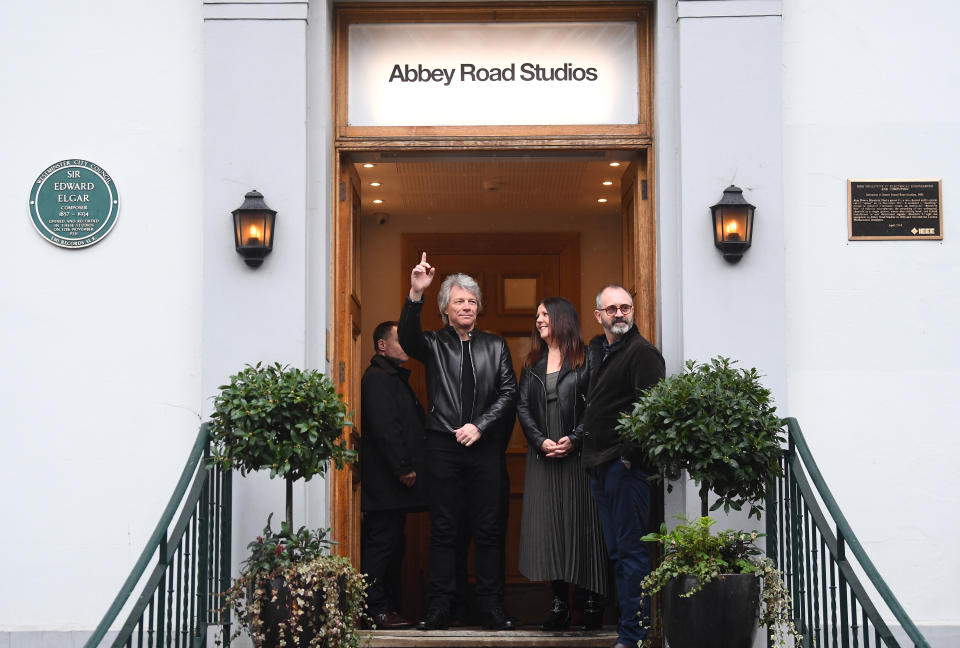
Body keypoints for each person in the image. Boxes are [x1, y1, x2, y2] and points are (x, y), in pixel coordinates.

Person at [398, 253, 519, 631]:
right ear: (445, 309)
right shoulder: (432, 343)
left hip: (483, 448)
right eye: (459, 301)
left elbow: (508, 391)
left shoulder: (495, 345)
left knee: (488, 529)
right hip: (442, 447)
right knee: (445, 529)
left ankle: (491, 607)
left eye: (471, 301)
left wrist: (480, 426)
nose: (467, 307)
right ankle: (439, 607)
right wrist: (415, 293)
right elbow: (407, 337)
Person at [517, 297, 608, 631]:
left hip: (578, 454)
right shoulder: (531, 363)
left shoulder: (588, 357)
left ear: (561, 318)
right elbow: (522, 407)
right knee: (550, 527)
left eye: (544, 314)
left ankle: (589, 601)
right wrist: (540, 441)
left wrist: (577, 437)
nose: (539, 320)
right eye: (537, 315)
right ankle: (559, 603)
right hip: (543, 454)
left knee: (581, 524)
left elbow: (597, 404)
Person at [582, 284, 665, 648]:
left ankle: (632, 637)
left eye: (625, 307)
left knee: (631, 552)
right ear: (598, 315)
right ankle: (628, 632)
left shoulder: (643, 353)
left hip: (625, 467)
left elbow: (652, 409)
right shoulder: (602, 352)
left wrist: (629, 455)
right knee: (618, 552)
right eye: (612, 308)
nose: (619, 313)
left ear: (633, 312)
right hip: (601, 466)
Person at [360, 321, 428, 630]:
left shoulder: (392, 376)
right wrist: (403, 467)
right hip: (386, 483)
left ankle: (388, 607)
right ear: (382, 346)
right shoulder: (378, 378)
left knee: (392, 544)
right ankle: (375, 609)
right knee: (381, 544)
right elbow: (386, 428)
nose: (406, 345)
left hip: (392, 486)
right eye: (399, 340)